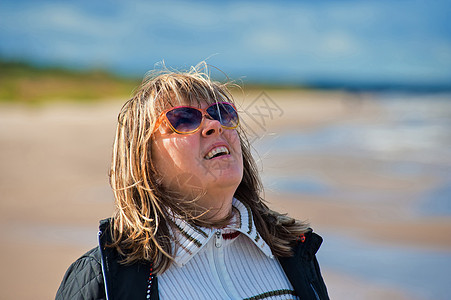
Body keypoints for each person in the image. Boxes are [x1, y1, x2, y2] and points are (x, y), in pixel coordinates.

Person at [56, 63, 329, 300]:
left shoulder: (294, 251)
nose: (214, 125)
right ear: (146, 162)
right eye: (184, 119)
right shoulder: (102, 276)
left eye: (223, 113)